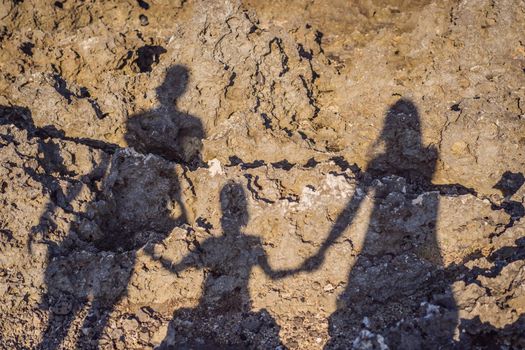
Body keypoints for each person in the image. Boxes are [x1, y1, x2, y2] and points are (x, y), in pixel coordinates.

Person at [38, 65, 205, 349]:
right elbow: (111, 163)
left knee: (91, 309)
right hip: (130, 193)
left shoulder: (171, 121)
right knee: (67, 310)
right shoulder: (152, 120)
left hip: (153, 197)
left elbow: (190, 169)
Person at [295, 99, 459, 348]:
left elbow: (350, 210)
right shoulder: (429, 156)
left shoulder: (383, 161)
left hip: (382, 249)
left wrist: (323, 250)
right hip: (421, 249)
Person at [157, 182, 284, 349]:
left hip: (217, 308)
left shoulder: (213, 242)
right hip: (233, 309)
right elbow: (272, 274)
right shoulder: (250, 244)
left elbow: (179, 267)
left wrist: (160, 259)